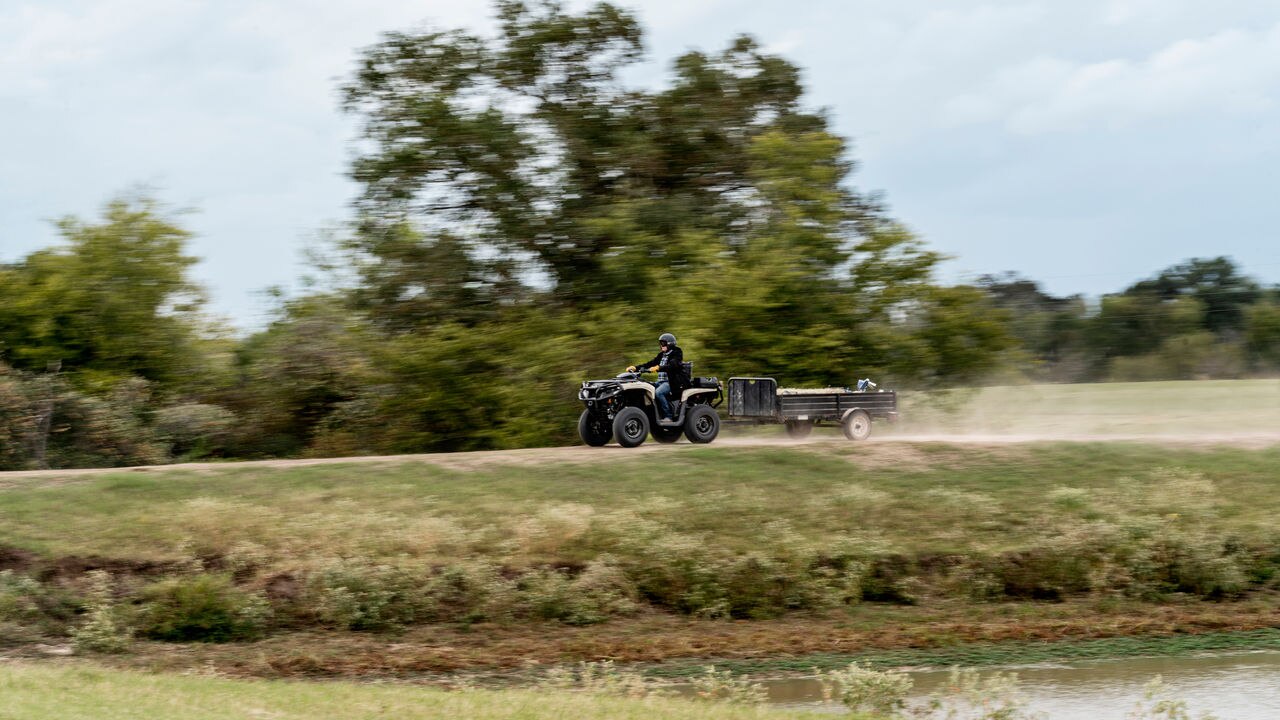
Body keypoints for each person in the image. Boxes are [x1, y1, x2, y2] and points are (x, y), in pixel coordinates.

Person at [627, 333, 688, 421]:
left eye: (663, 343)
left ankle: (668, 416)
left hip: (672, 382)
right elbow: (650, 363)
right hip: (660, 382)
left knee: (659, 393)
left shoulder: (677, 352)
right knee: (646, 390)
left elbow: (673, 365)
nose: (661, 345)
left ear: (669, 344)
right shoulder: (662, 355)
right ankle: (653, 415)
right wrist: (636, 368)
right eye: (660, 343)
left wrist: (658, 368)